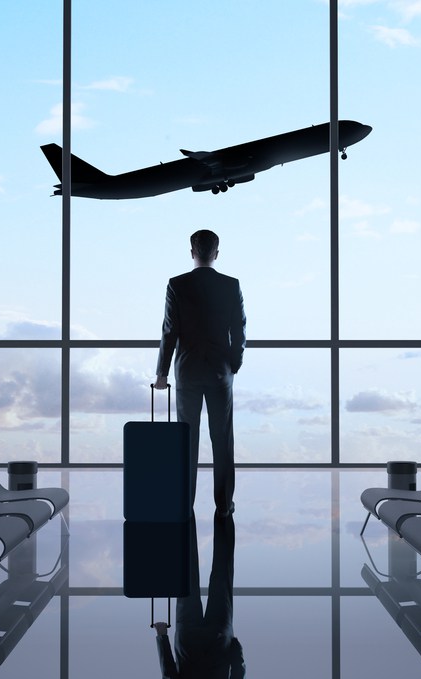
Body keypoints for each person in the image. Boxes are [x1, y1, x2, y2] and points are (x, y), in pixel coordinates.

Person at [155, 229, 246, 517]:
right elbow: (239, 330)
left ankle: (185, 502)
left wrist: (162, 373)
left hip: (188, 371)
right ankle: (224, 506)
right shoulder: (231, 285)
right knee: (222, 440)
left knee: (187, 440)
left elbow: (170, 331)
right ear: (216, 254)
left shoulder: (177, 285)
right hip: (220, 372)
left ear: (191, 252)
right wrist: (234, 363)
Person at [154, 513, 244, 678]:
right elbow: (169, 674)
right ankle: (185, 507)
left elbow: (238, 671)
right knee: (187, 573)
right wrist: (162, 637)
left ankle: (224, 513)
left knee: (222, 575)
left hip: (218, 641)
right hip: (188, 642)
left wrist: (234, 647)